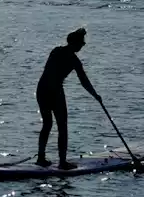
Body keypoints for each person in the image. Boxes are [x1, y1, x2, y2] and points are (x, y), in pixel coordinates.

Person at [36, 28, 100, 169]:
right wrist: (95, 95)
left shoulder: (58, 52)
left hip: (43, 89)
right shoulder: (70, 58)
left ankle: (43, 158)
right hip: (51, 91)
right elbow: (84, 81)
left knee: (49, 124)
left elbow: (84, 81)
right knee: (60, 126)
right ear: (74, 42)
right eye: (81, 42)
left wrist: (95, 95)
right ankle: (61, 162)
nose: (83, 45)